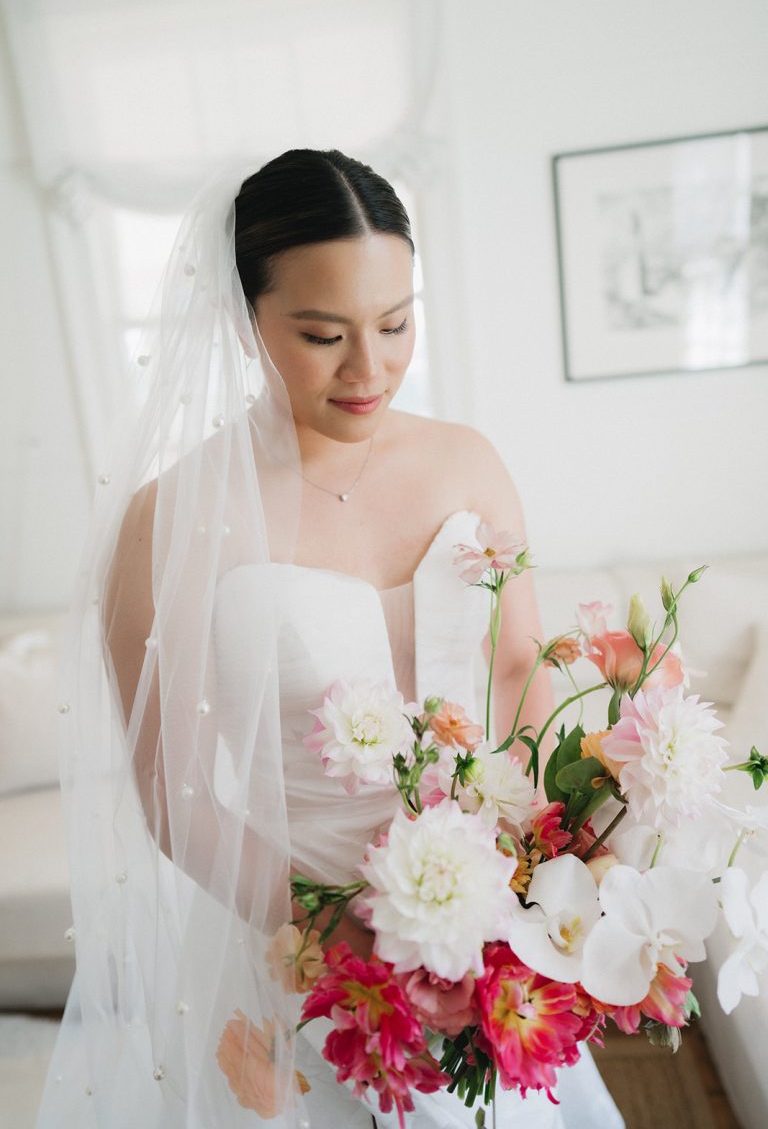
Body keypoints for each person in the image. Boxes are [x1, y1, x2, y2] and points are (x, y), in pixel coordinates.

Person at [35, 150, 624, 1128]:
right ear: (242, 318)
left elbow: (520, 666)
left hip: (495, 916)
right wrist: (330, 929)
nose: (371, 368)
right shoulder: (169, 522)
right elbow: (172, 792)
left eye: (396, 324)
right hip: (298, 935)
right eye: (323, 334)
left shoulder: (464, 461)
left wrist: (536, 862)